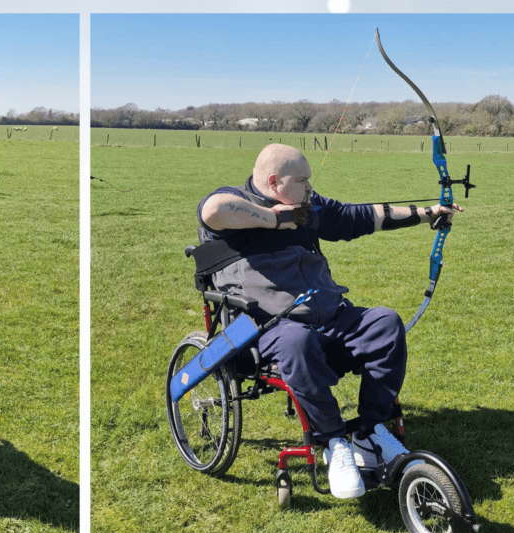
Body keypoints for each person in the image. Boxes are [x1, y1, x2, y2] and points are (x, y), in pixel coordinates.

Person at [196, 143, 460, 499]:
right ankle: (334, 443)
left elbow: (363, 216)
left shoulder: (308, 207)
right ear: (274, 181)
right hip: (268, 328)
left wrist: (428, 212)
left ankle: (370, 431)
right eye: (302, 181)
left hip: (329, 315)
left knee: (385, 323)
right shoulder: (235, 200)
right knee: (296, 341)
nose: (309, 188)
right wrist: (277, 218)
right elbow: (213, 211)